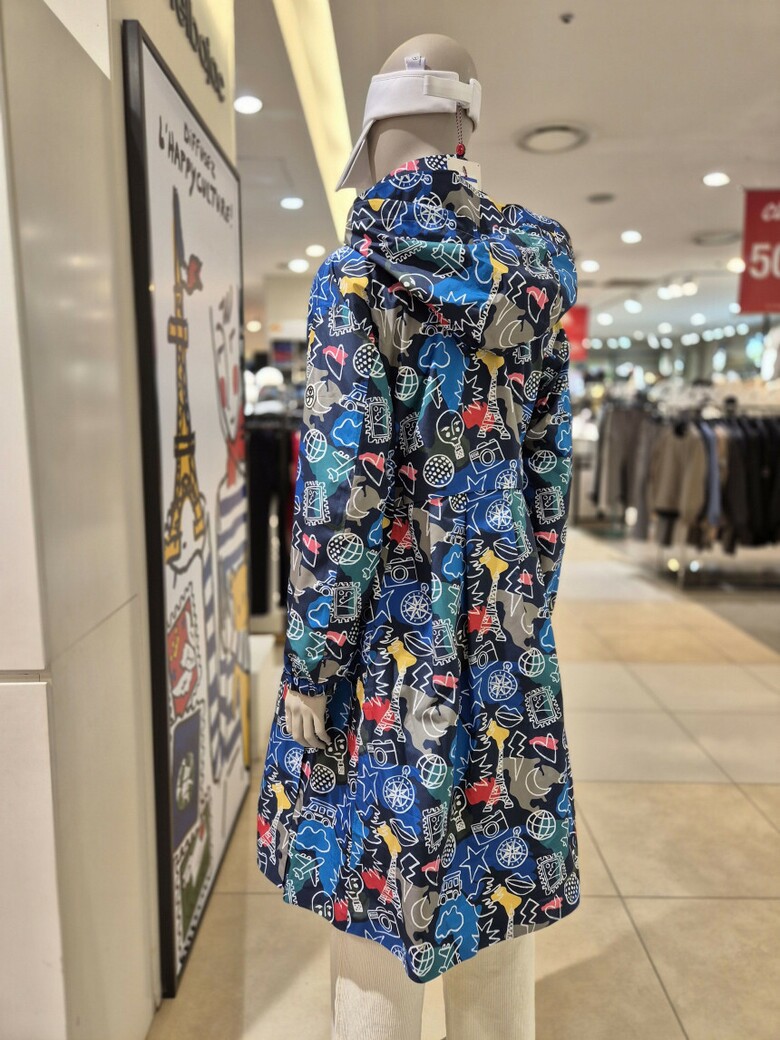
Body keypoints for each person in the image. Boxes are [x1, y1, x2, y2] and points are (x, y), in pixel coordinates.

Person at [256, 33, 580, 1040]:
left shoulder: (356, 277)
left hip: (382, 651)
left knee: (376, 917)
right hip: (504, 631)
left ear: (373, 138)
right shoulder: (534, 281)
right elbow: (549, 478)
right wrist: (522, 608)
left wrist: (312, 665)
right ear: (466, 130)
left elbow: (341, 491)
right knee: (499, 908)